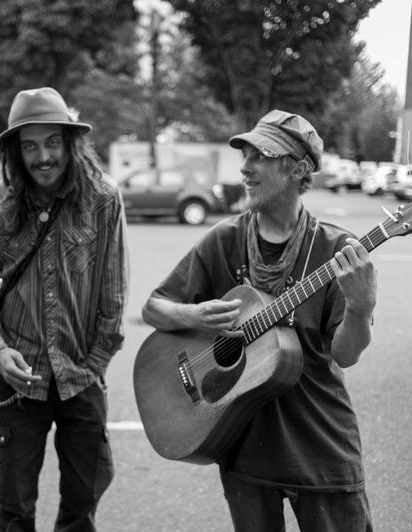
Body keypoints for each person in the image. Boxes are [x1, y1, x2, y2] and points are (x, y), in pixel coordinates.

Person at [141, 110, 377, 531]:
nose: (245, 168)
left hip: (319, 448)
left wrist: (360, 307)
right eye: (244, 155)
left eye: (260, 155)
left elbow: (346, 353)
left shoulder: (336, 249)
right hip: (241, 445)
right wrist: (192, 314)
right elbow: (154, 307)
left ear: (298, 168)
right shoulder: (225, 239)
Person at [0, 87, 128, 532]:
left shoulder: (102, 200)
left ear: (70, 144)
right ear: (16, 151)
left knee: (82, 504)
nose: (43, 157)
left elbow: (113, 296)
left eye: (52, 142)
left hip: (82, 377)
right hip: (18, 383)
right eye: (30, 145)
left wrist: (94, 365)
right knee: (14, 511)